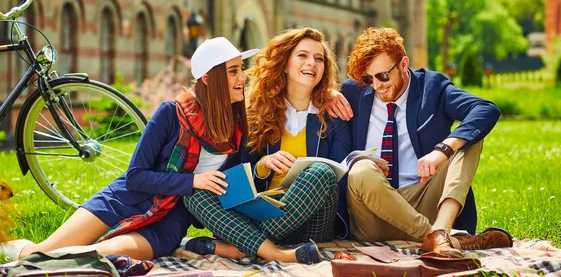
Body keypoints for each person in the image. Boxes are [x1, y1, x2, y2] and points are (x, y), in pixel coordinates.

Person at [0, 37, 257, 261]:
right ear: (208, 79)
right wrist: (193, 181)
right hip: (124, 200)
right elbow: (135, 177)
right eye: (233, 71)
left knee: (85, 258)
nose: (242, 77)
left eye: (240, 69)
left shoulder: (237, 131)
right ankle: (16, 248)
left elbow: (231, 191)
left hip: (168, 222)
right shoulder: (170, 114)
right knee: (41, 255)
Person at [335, 27, 512, 257]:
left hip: (424, 197)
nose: (377, 85)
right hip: (372, 213)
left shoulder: (432, 87)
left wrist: (443, 150)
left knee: (469, 139)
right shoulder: (354, 91)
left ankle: (440, 229)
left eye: (383, 76)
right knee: (361, 169)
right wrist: (328, 95)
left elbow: (485, 109)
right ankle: (439, 237)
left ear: (403, 64)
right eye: (369, 78)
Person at [184, 27, 351, 262]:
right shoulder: (255, 112)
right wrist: (263, 165)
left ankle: (243, 246)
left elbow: (339, 181)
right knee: (195, 190)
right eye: (303, 55)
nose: (312, 63)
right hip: (261, 212)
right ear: (284, 63)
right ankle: (269, 249)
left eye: (319, 58)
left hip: (311, 224)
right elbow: (238, 178)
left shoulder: (334, 115)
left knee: (322, 173)